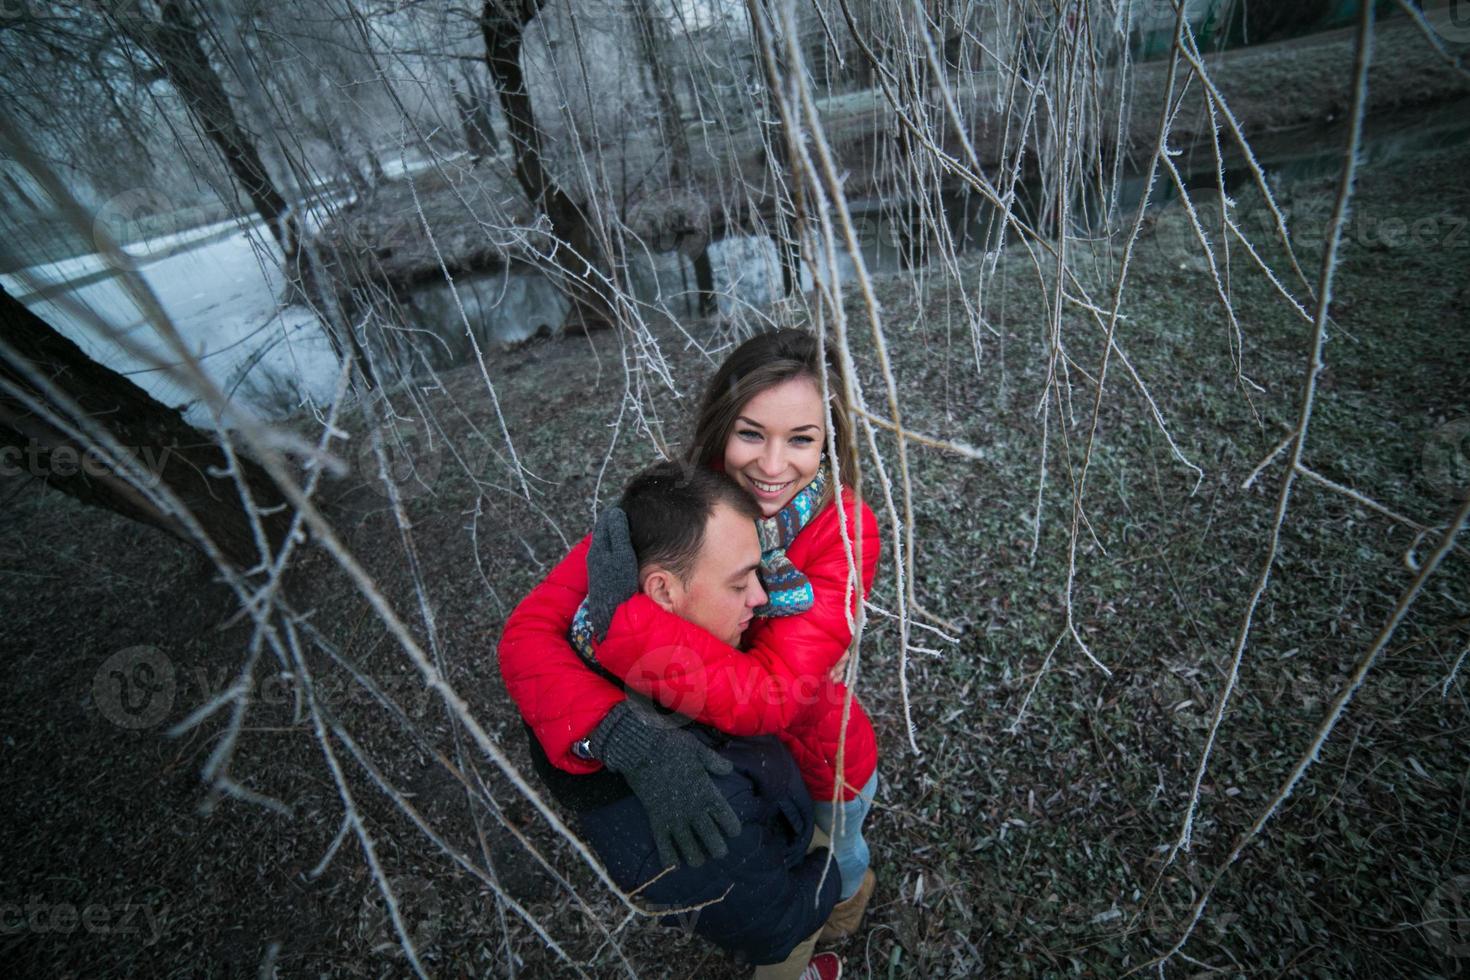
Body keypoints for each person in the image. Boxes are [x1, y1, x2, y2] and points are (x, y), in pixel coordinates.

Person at [499, 331, 882, 952]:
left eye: (803, 439)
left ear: (830, 443)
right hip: (727, 770)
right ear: (720, 425)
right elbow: (527, 636)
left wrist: (622, 620)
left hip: (819, 761)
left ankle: (846, 910)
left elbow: (774, 695)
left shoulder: (845, 533)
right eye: (751, 433)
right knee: (766, 886)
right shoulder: (676, 510)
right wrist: (619, 734)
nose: (773, 465)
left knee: (836, 857)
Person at [506, 461, 843, 977]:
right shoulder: (689, 796)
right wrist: (828, 876)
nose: (762, 596)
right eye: (738, 585)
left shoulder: (621, 632)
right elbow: (766, 918)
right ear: (662, 592)